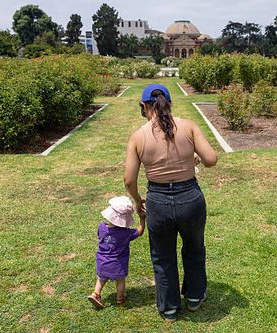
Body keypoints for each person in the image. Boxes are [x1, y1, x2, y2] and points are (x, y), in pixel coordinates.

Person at [123, 84, 217, 322]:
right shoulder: (188, 126)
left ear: (144, 107)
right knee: (194, 248)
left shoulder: (138, 136)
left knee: (163, 256)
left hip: (158, 200)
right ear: (170, 104)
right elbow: (211, 159)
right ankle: (195, 298)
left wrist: (137, 201)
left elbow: (128, 179)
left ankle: (170, 308)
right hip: (190, 198)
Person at [88, 196, 145, 309]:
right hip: (118, 264)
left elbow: (101, 237)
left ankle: (96, 293)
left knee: (101, 278)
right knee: (120, 280)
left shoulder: (101, 227)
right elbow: (139, 231)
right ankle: (120, 298)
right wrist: (142, 219)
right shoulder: (125, 233)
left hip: (102, 261)